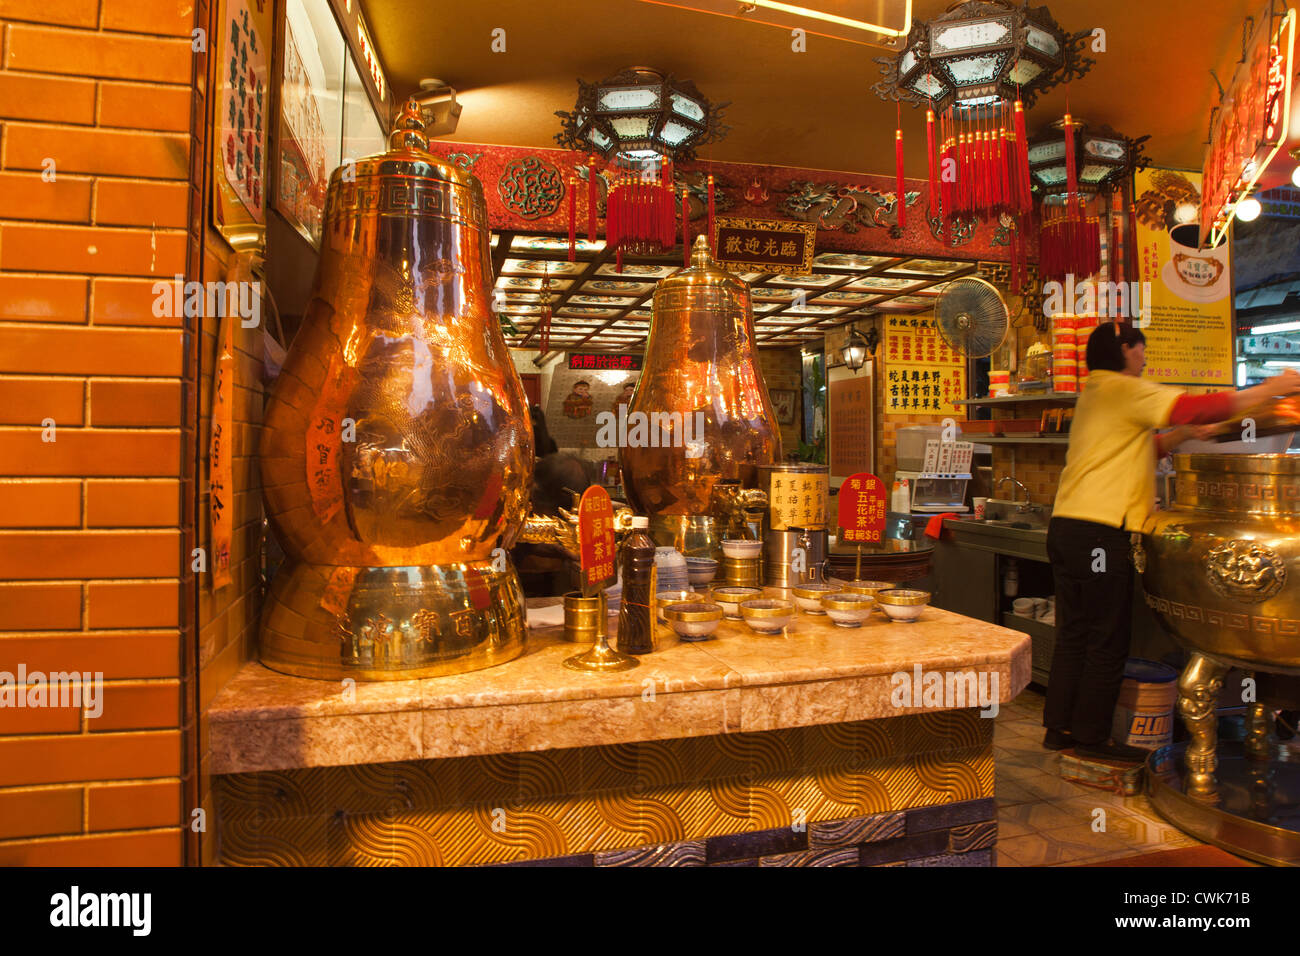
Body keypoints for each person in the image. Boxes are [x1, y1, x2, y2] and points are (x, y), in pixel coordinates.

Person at [1043, 323, 1300, 761]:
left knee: (1074, 634)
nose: (1145, 357)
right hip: (1102, 534)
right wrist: (1270, 389)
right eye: (1142, 349)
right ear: (1126, 350)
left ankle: (1060, 730)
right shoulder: (1124, 389)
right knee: (1107, 639)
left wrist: (1179, 439)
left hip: (1069, 527)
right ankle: (1091, 740)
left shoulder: (1096, 393)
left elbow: (1140, 450)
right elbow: (1196, 408)